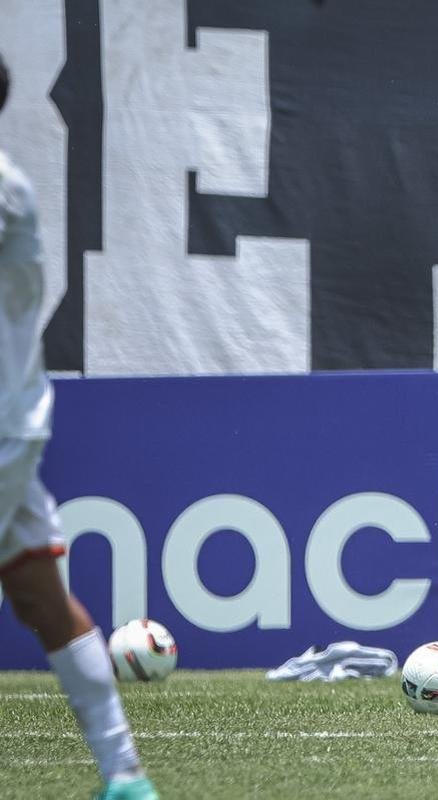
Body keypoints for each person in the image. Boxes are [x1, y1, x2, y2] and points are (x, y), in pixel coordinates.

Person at [0, 54, 159, 800]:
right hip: (12, 421)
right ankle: (125, 776)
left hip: (0, 423)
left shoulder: (1, 186)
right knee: (36, 594)